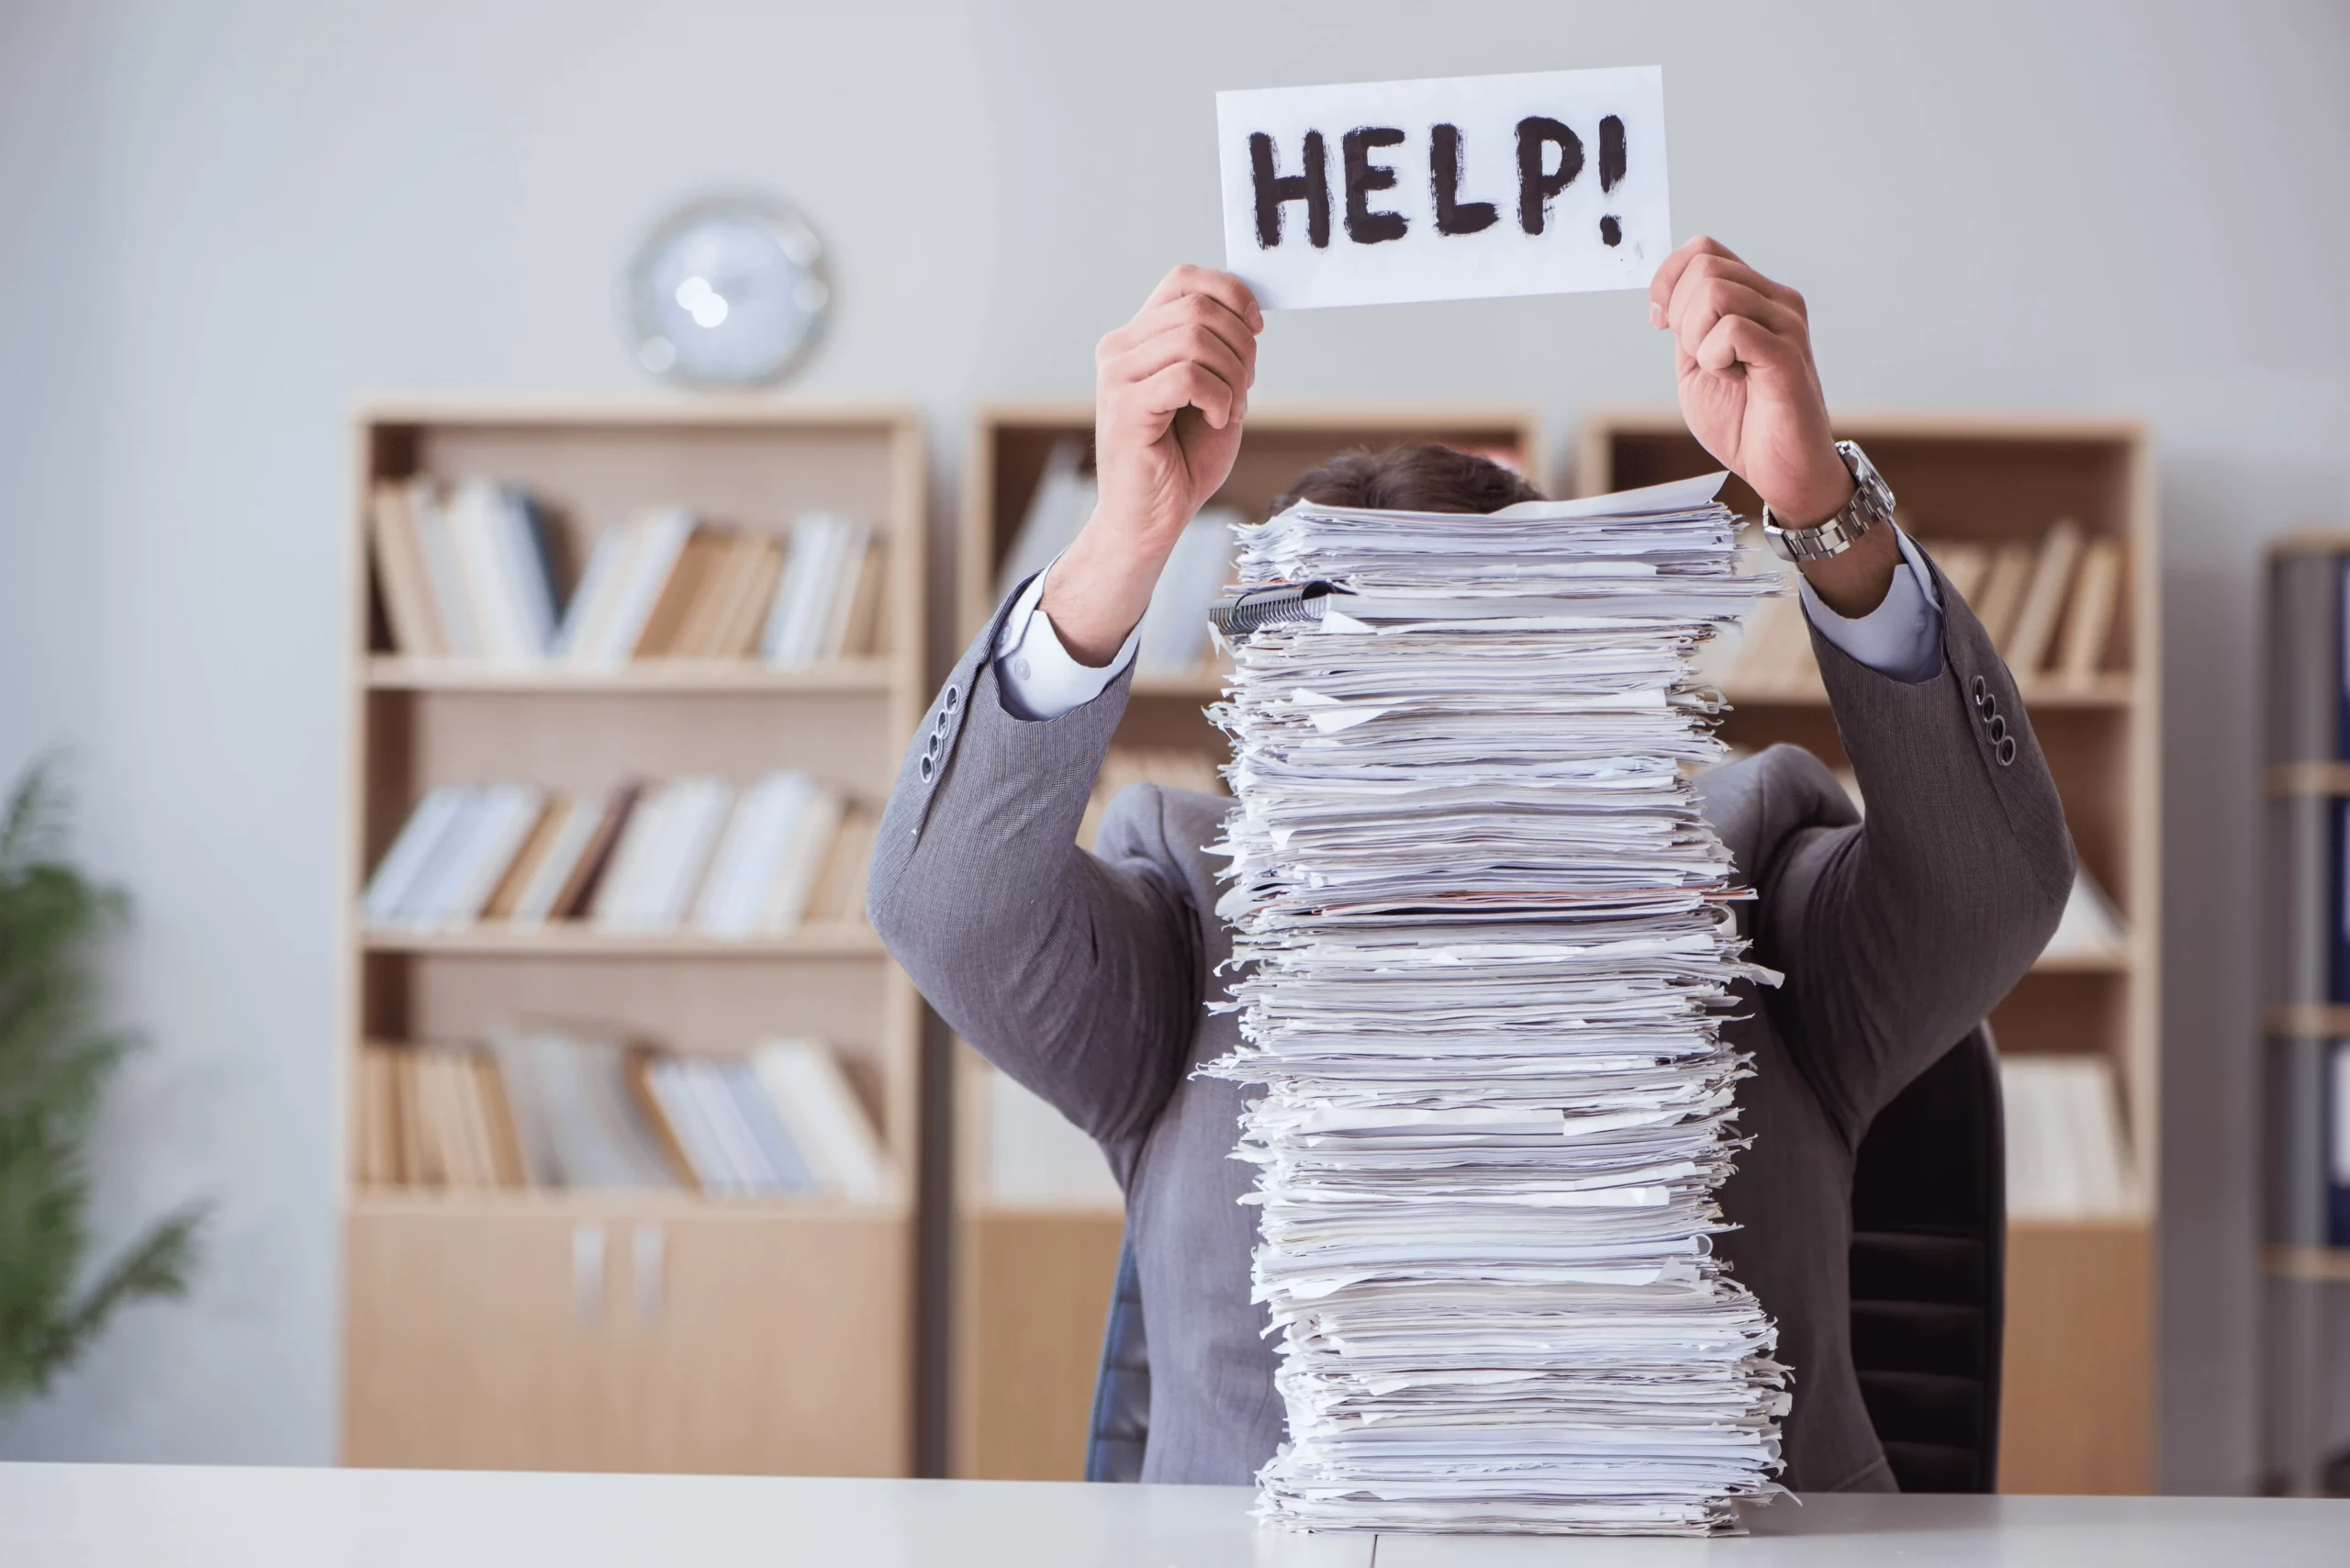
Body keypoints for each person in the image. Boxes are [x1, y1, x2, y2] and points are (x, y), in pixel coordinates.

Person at [870, 237, 2073, 1492]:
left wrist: (1824, 511)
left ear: (1584, 671)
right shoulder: (1189, 919)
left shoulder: (1750, 883)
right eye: (1371, 682)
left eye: (1482, 664)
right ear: (1281, 703)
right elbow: (947, 911)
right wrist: (1123, 544)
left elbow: (1991, 886)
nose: (1426, 729)